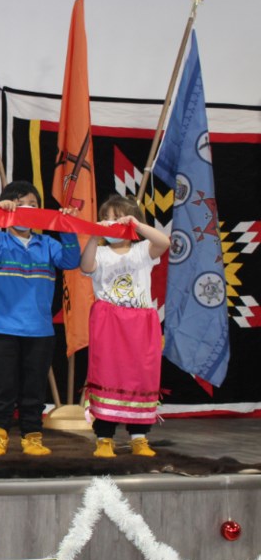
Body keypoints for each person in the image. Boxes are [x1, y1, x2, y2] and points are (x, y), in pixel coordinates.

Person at [0, 180, 80, 457]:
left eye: (33, 204)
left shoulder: (47, 245)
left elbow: (71, 259)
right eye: (19, 205)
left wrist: (65, 226)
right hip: (0, 328)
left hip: (39, 331)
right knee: (0, 387)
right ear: (9, 209)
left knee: (33, 389)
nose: (27, 209)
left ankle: (32, 436)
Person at [80, 194, 170, 458]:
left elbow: (163, 242)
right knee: (107, 375)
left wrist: (137, 225)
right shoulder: (102, 252)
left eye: (117, 218)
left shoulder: (143, 251)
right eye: (106, 219)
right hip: (109, 323)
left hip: (140, 323)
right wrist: (95, 236)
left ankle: (139, 437)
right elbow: (86, 265)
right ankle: (104, 437)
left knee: (141, 377)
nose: (111, 224)